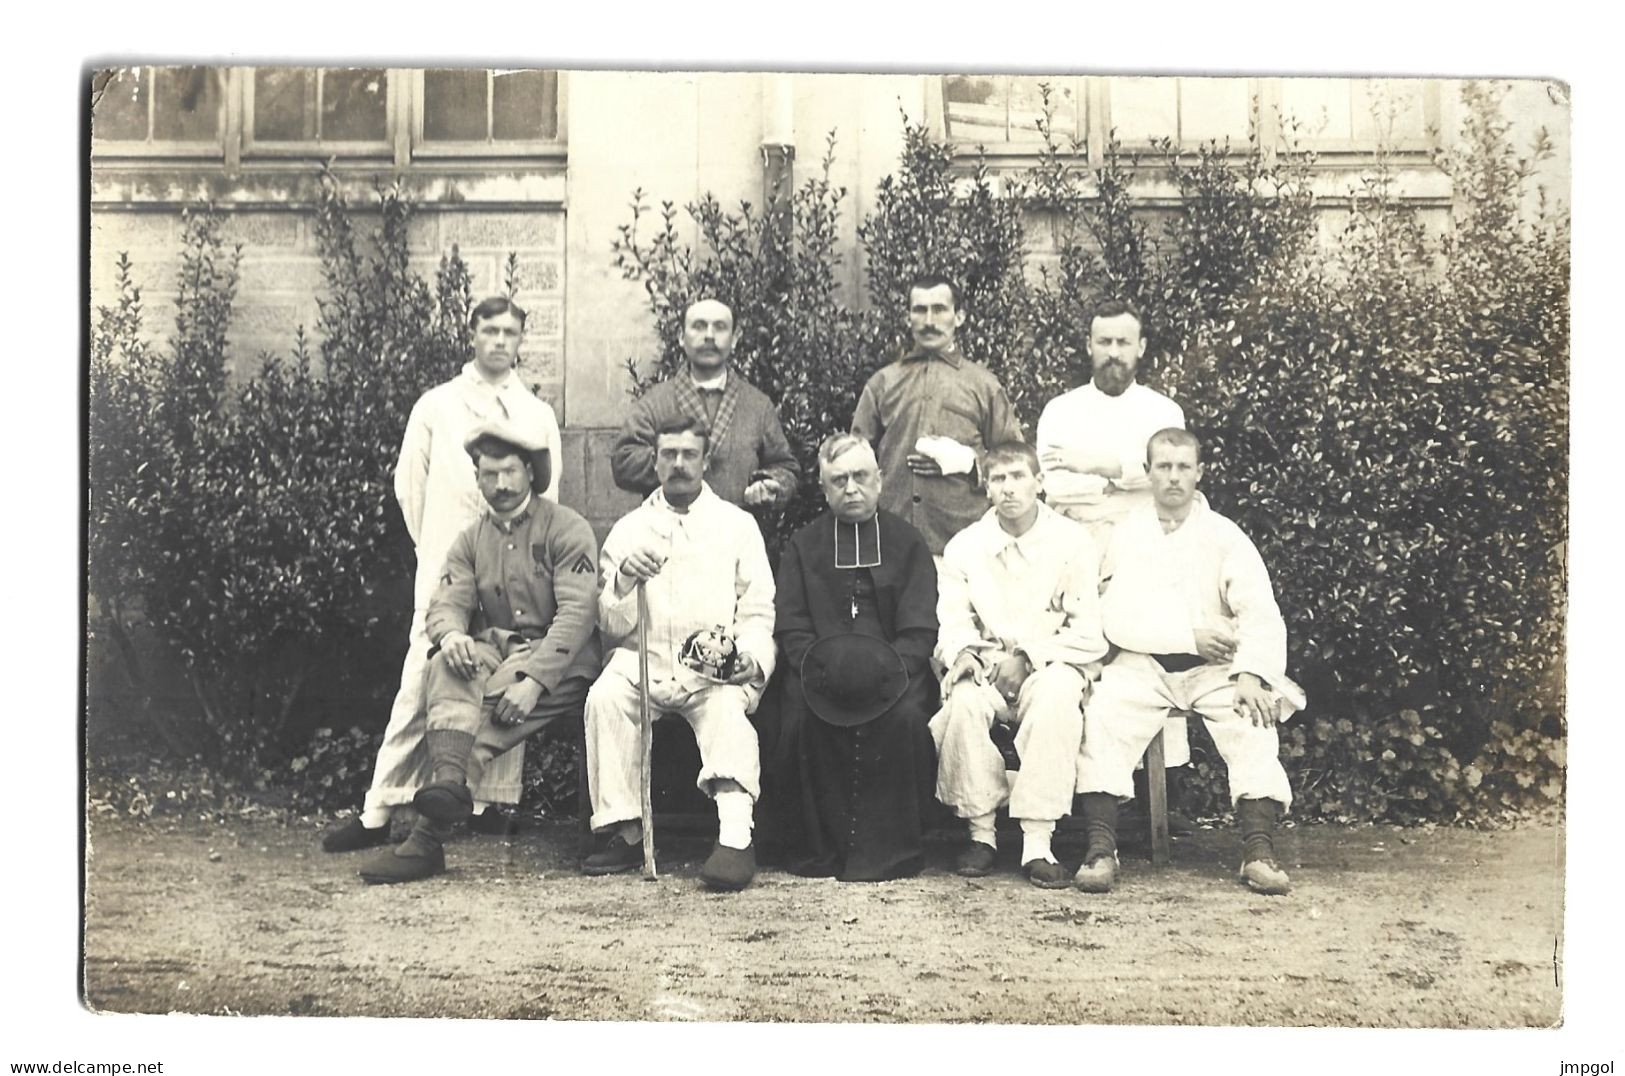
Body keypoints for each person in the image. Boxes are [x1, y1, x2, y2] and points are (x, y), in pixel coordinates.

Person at [323, 297, 563, 854]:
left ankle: (488, 803)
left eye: (510, 332)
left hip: (516, 566)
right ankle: (380, 807)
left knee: (506, 665)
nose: (500, 341)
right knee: (424, 675)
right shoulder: (437, 405)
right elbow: (410, 487)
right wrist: (440, 547)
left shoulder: (535, 413)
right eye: (489, 330)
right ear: (472, 335)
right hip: (448, 564)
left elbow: (548, 497)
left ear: (521, 341)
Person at [356, 422, 600, 884]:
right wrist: (451, 636)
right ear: (477, 478)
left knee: (484, 717)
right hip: (499, 653)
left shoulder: (568, 528)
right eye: (490, 475)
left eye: (510, 472)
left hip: (563, 660)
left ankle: (426, 841)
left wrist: (534, 683)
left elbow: (577, 615)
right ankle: (449, 779)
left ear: (530, 473)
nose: (502, 485)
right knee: (445, 662)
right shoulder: (470, 540)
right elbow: (444, 604)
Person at [1073, 428, 1305, 896]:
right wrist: (1186, 634)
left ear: (1199, 472)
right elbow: (1116, 617)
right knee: (1102, 713)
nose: (1174, 477)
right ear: (1149, 472)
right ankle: (1101, 849)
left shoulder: (1224, 535)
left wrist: (1251, 673)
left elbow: (1259, 610)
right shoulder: (1126, 535)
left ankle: (1258, 850)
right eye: (1164, 466)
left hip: (1215, 669)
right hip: (1144, 664)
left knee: (1253, 719)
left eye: (1183, 467)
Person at [584, 416, 776, 891]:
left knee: (728, 713)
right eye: (668, 454)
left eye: (690, 454)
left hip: (707, 668)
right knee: (605, 697)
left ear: (707, 460)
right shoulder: (629, 530)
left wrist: (750, 659)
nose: (679, 463)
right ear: (654, 461)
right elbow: (610, 623)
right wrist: (624, 580)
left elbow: (757, 608)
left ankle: (735, 836)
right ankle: (626, 830)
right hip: (643, 660)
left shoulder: (737, 526)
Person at [1035, 297, 1196, 813]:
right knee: (1075, 658)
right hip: (1074, 544)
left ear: (1141, 348)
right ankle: (1073, 786)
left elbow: (1163, 482)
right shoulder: (1061, 409)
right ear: (1089, 346)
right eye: (1103, 341)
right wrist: (1120, 478)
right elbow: (1055, 486)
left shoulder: (1162, 410)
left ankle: (1126, 793)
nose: (1113, 352)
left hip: (1143, 546)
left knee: (1134, 650)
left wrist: (1095, 464)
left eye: (1123, 342)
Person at [761, 434, 939, 881]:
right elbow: (793, 625)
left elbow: (919, 630)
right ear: (823, 490)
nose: (851, 488)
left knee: (905, 722)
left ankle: (891, 850)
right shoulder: (804, 546)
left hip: (894, 678)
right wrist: (825, 673)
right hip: (818, 679)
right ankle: (816, 850)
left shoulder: (908, 542)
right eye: (838, 480)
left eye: (861, 477)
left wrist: (880, 675)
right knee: (798, 722)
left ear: (880, 481)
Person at [931, 442, 1108, 888]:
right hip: (989, 664)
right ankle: (981, 833)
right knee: (964, 703)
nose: (1008, 489)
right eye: (998, 480)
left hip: (1051, 662)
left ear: (1039, 483)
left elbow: (1088, 632)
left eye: (1018, 477)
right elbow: (951, 621)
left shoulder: (1072, 542)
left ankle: (1037, 841)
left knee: (1056, 700)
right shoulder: (965, 547)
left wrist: (1029, 656)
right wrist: (964, 654)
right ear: (985, 487)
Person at [851, 274, 1024, 555]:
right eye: (920, 310)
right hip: (892, 544)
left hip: (963, 544)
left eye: (940, 309)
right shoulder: (882, 383)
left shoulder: (984, 385)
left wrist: (970, 464)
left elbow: (1016, 459)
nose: (929, 321)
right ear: (908, 318)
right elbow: (855, 457)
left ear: (959, 317)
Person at [611, 297, 799, 509]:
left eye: (720, 327)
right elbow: (623, 462)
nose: (709, 336)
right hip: (668, 533)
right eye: (699, 326)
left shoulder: (758, 405)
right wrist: (678, 460)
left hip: (736, 533)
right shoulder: (654, 402)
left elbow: (785, 467)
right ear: (682, 337)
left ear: (734, 338)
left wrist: (771, 484)